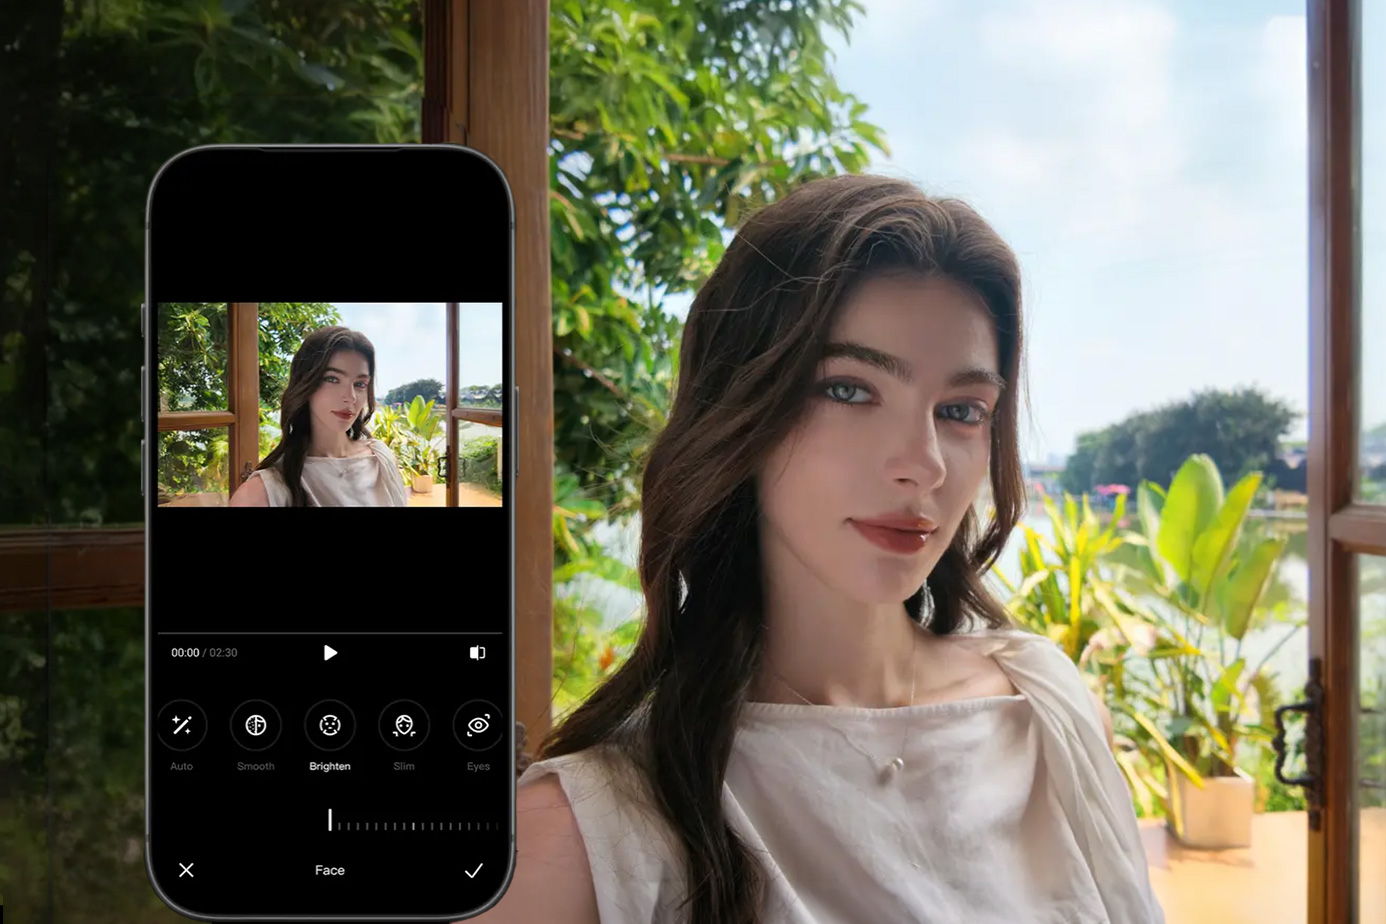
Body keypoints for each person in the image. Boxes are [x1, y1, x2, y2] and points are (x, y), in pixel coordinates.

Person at [475, 175, 1163, 923]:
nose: (922, 463)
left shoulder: (1051, 709)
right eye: (848, 390)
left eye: (962, 411)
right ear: (741, 409)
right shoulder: (584, 840)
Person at [228, 326, 408, 507]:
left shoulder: (381, 459)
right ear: (306, 383)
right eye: (332, 379)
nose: (350, 397)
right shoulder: (262, 493)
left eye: (360, 384)